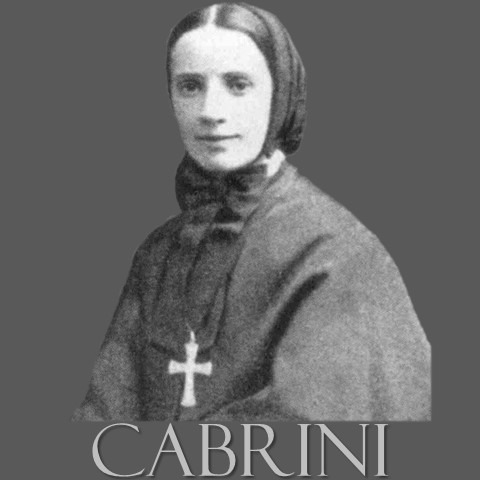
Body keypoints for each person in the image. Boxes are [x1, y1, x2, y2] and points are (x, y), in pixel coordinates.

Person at [72, 2, 431, 422]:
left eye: (238, 85)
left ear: (280, 95)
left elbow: (314, 425)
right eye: (190, 86)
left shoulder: (339, 253)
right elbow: (103, 417)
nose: (210, 111)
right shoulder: (159, 253)